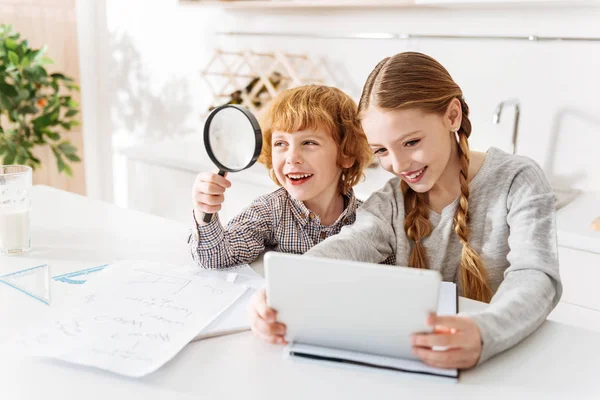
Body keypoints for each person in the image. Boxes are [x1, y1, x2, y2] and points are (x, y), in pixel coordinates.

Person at [248, 52, 562, 369]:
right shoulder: (391, 202)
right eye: (382, 151)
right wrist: (281, 288)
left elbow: (536, 276)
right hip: (424, 362)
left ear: (452, 116)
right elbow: (348, 245)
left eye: (411, 142)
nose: (398, 166)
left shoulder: (517, 180)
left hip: (504, 362)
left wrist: (485, 332)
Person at [189, 85, 375, 269]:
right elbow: (216, 257)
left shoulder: (371, 221)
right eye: (280, 143)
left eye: (309, 142)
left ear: (346, 154)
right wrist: (203, 213)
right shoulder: (269, 212)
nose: (292, 157)